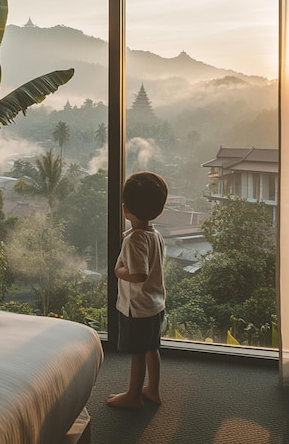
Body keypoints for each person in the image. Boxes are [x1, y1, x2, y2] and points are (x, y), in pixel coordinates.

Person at [106, 171, 168, 410]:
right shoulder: (155, 235)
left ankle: (133, 396)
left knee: (138, 353)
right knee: (152, 348)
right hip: (155, 304)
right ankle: (152, 390)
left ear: (125, 209)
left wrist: (119, 272)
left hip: (138, 308)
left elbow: (139, 274)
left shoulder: (134, 240)